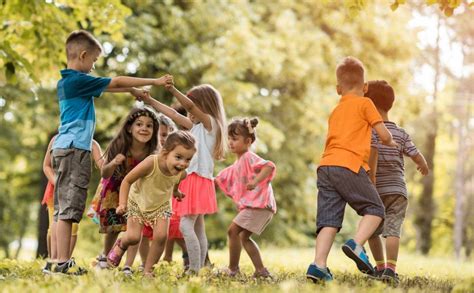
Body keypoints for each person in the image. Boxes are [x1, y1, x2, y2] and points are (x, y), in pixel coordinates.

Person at [51, 29, 172, 274]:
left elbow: (111, 87)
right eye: (93, 61)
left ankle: (58, 261)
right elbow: (115, 82)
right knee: (69, 210)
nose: (94, 67)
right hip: (75, 150)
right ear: (83, 55)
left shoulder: (68, 82)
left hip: (65, 148)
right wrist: (154, 82)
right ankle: (62, 263)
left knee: (63, 209)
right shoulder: (77, 80)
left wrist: (131, 92)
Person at [305, 57, 397, 283]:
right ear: (365, 88)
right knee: (376, 210)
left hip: (326, 166)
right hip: (349, 165)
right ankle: (357, 244)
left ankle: (318, 266)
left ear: (338, 89)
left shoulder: (336, 110)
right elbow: (383, 135)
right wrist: (391, 141)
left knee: (328, 220)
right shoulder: (366, 104)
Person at [141, 84, 226, 273]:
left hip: (197, 180)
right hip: (193, 180)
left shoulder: (210, 124)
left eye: (194, 106)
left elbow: (189, 107)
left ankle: (193, 270)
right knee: (198, 229)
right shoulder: (195, 127)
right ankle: (200, 267)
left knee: (186, 225)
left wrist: (171, 89)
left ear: (204, 105)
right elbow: (173, 114)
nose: (189, 112)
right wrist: (150, 101)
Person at [106, 131, 197, 277]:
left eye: (188, 159)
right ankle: (121, 243)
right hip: (138, 202)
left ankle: (148, 270)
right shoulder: (151, 162)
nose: (183, 163)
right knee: (134, 237)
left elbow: (175, 181)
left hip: (161, 206)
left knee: (161, 236)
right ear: (165, 153)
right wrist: (122, 203)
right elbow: (127, 180)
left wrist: (176, 192)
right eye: (178, 157)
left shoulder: (182, 172)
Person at [365, 80, 429, 285]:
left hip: (375, 189)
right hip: (398, 191)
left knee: (372, 231)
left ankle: (381, 267)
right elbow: (415, 154)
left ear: (370, 105)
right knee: (393, 229)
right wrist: (423, 165)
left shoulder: (369, 131)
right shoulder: (400, 132)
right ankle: (391, 270)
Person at [89, 106, 160, 275]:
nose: (144, 128)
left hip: (137, 193)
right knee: (113, 226)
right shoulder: (120, 144)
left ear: (154, 130)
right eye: (139, 124)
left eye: (149, 126)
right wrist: (113, 163)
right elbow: (105, 173)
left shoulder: (153, 151)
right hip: (114, 190)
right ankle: (105, 257)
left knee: (135, 228)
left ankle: (128, 265)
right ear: (129, 127)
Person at [215, 117, 277, 278]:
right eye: (229, 138)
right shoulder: (237, 163)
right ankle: (261, 270)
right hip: (260, 207)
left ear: (248, 141)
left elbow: (269, 166)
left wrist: (255, 181)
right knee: (243, 237)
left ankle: (233, 269)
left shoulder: (249, 157)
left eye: (234, 139)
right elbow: (221, 179)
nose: (230, 142)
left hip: (259, 205)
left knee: (232, 231)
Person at [41, 135, 103, 274]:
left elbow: (102, 165)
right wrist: (58, 183)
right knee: (55, 225)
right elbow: (46, 166)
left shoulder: (91, 143)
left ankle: (65, 262)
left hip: (75, 192)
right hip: (55, 191)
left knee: (72, 227)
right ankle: (53, 261)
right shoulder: (56, 139)